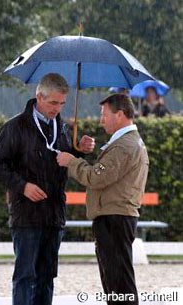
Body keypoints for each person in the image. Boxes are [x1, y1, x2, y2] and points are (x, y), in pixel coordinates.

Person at [0, 73, 95, 305]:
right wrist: (22, 186)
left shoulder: (65, 129)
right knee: (25, 276)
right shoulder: (14, 127)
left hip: (54, 215)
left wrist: (81, 150)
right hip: (26, 214)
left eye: (62, 103)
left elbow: (63, 160)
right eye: (53, 102)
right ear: (38, 97)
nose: (58, 108)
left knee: (47, 277)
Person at [57, 94, 149, 305]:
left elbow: (96, 178)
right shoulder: (125, 143)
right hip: (115, 217)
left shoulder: (124, 145)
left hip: (114, 219)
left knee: (118, 283)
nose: (101, 120)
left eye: (104, 115)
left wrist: (71, 161)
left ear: (119, 114)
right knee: (115, 281)